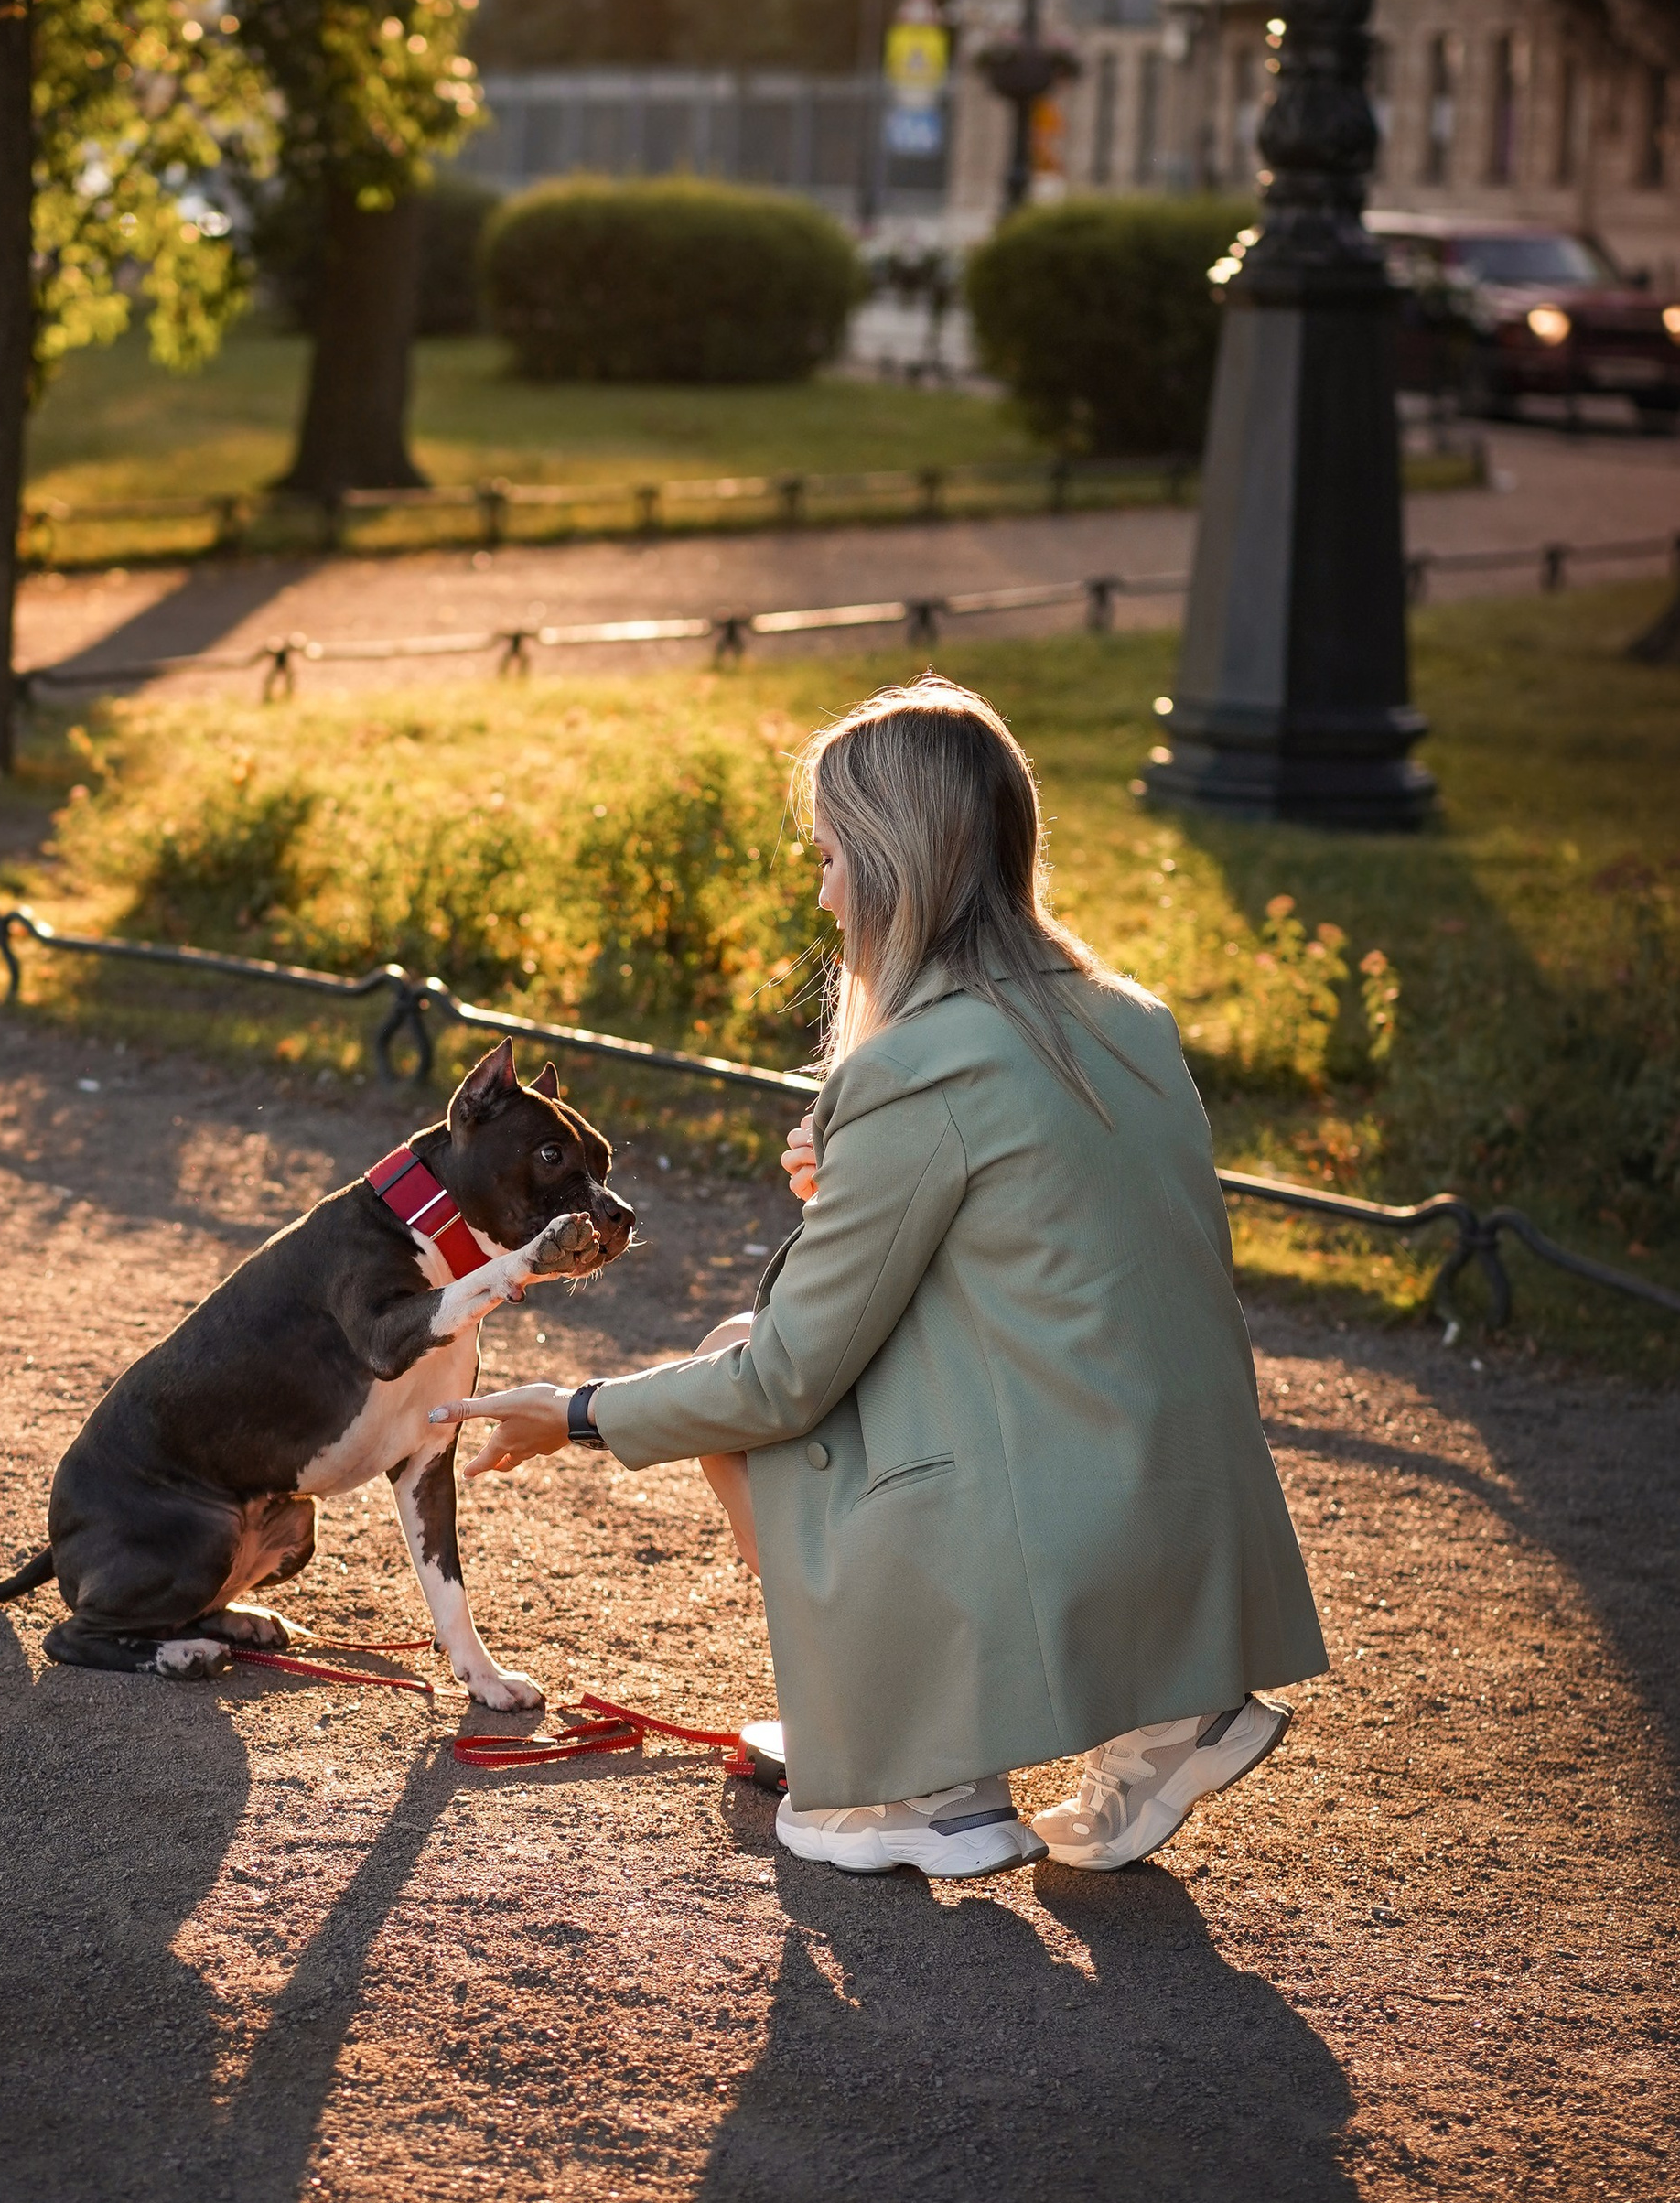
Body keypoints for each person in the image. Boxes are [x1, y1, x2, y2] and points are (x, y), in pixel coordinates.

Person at [433, 675, 1327, 1879]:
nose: (823, 888)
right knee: (750, 1345)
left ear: (897, 862)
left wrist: (577, 1413)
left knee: (742, 1381)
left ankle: (929, 1780)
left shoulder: (918, 1063)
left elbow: (786, 1378)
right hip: (1182, 1503)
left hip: (1067, 1512)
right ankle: (1165, 1706)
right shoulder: (1123, 1014)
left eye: (833, 855)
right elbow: (1042, 1255)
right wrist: (842, 1179)